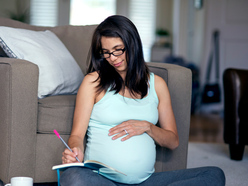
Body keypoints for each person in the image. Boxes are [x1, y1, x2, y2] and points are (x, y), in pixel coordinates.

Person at [60, 15, 225, 186]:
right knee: (73, 177)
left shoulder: (157, 84)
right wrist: (75, 150)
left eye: (118, 49)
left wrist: (148, 127)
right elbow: (77, 135)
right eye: (106, 52)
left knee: (213, 175)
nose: (113, 58)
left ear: (132, 44)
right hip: (102, 180)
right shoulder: (93, 82)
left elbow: (173, 141)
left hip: (147, 182)